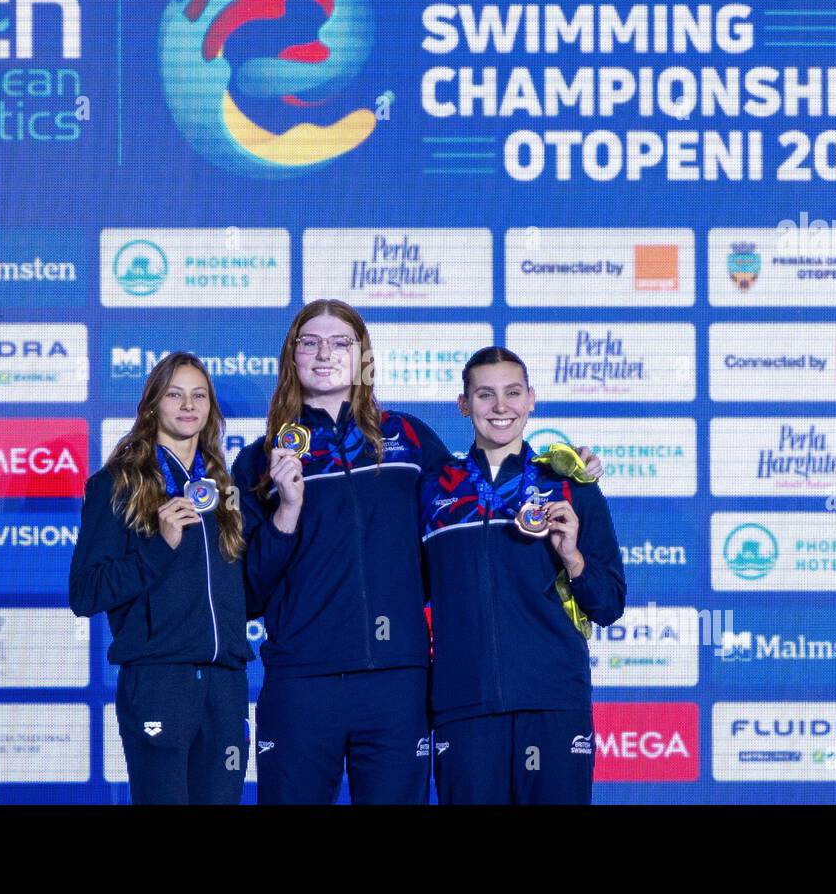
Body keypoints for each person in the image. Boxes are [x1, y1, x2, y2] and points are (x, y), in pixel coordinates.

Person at [232, 301, 605, 804]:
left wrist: (559, 474)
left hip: (398, 683)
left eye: (340, 342)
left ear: (362, 356)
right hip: (301, 681)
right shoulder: (258, 460)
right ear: (291, 356)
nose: (325, 353)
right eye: (310, 342)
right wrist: (286, 512)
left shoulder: (406, 439)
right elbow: (248, 595)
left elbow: (476, 507)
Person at [419, 346, 626, 804]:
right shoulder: (433, 489)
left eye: (513, 393)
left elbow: (608, 604)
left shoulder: (569, 484)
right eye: (485, 394)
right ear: (463, 403)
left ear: (532, 399)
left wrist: (573, 558)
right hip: (464, 705)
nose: (500, 407)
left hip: (552, 700)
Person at [69, 352, 251, 804]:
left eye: (199, 395)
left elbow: (243, 585)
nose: (188, 405)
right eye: (175, 394)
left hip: (225, 684)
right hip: (159, 681)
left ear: (210, 407)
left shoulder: (223, 489)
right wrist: (158, 546)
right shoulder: (116, 484)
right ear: (152, 404)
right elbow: (84, 593)